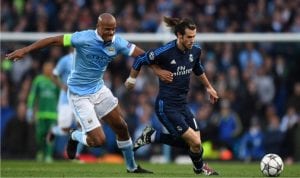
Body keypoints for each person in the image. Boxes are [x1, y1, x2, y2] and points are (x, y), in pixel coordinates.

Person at [6, 13, 157, 173]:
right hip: (79, 95)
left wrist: (156, 68)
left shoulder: (117, 42)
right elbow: (52, 40)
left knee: (122, 127)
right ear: (98, 27)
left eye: (113, 29)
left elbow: (140, 54)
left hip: (99, 89)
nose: (110, 33)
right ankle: (75, 136)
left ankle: (132, 167)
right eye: (107, 29)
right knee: (98, 141)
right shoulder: (83, 38)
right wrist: (25, 50)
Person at [125, 16, 219, 176]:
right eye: (189, 37)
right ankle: (201, 167)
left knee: (196, 145)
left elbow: (198, 67)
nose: (192, 40)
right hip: (166, 106)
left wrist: (209, 87)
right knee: (195, 142)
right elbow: (141, 58)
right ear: (179, 36)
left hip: (182, 105)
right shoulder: (165, 51)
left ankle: (154, 137)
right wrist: (132, 79)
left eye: (194, 36)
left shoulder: (195, 51)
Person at [46, 50, 84, 159]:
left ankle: (76, 154)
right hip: (65, 99)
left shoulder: (84, 59)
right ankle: (54, 130)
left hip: (79, 98)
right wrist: (62, 86)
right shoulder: (65, 60)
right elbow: (54, 75)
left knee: (83, 126)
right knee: (64, 130)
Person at [27, 61, 60, 163]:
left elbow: (60, 96)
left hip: (53, 114)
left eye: (50, 68)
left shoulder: (56, 81)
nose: (48, 70)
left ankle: (48, 155)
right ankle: (40, 151)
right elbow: (33, 95)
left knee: (50, 135)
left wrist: (61, 110)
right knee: (39, 135)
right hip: (41, 113)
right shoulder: (38, 81)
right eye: (47, 68)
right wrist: (30, 108)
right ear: (43, 69)